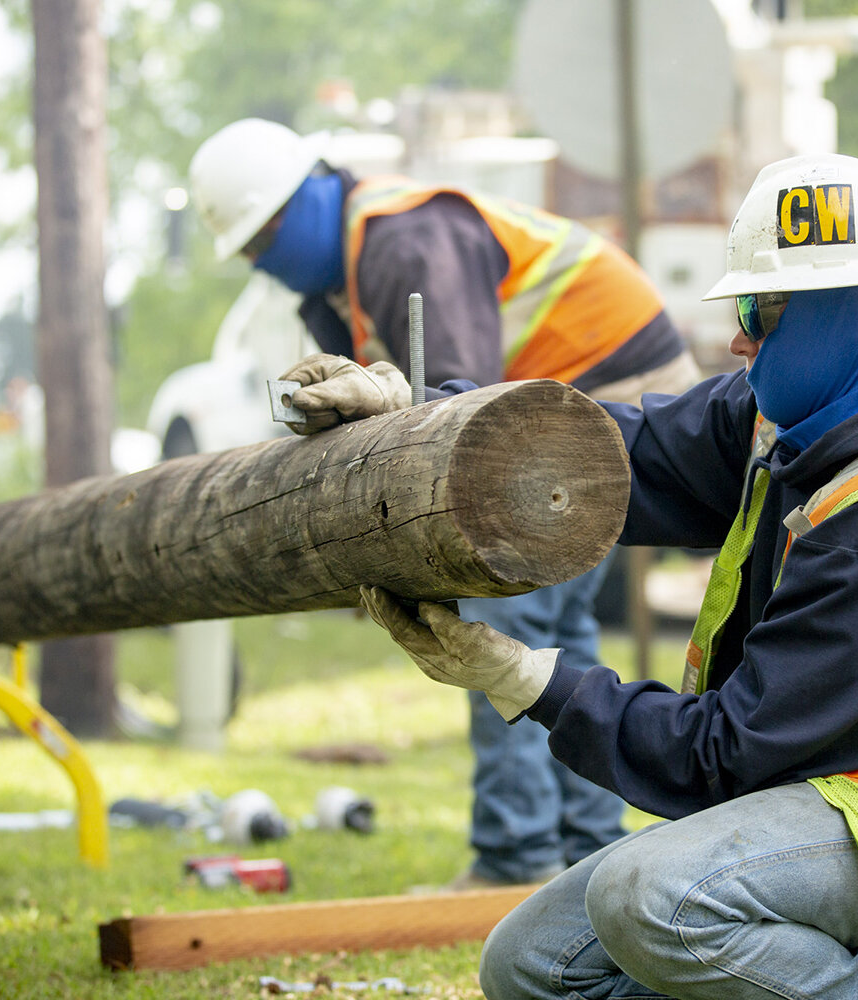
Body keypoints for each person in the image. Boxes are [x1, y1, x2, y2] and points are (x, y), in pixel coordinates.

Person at [328, 151, 858, 999]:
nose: (737, 337)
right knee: (528, 968)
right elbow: (610, 454)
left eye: (758, 308)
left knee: (652, 900)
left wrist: (527, 681)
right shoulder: (790, 422)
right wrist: (425, 413)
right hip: (816, 797)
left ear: (842, 312)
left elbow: (727, 757)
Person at [188, 117, 702, 889]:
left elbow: (457, 410)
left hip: (611, 389)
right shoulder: (343, 276)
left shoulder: (402, 238)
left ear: (309, 197)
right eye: (251, 251)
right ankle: (585, 852)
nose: (264, 260)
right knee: (560, 627)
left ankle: (515, 856)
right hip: (587, 395)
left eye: (265, 238)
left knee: (506, 616)